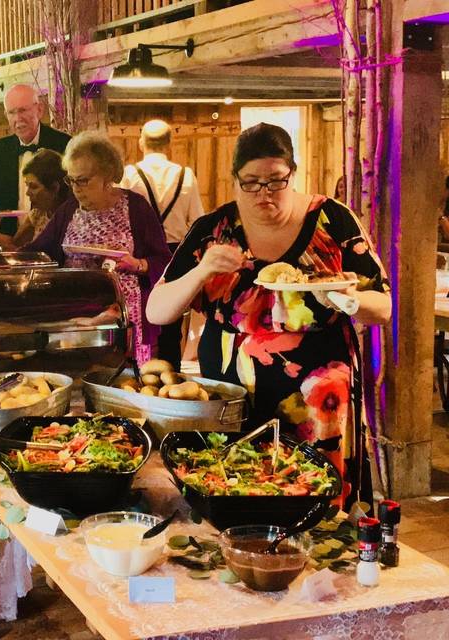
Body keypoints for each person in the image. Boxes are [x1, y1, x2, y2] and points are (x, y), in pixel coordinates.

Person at [146, 122, 392, 508]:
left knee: (315, 499)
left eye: (276, 181)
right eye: (252, 182)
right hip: (233, 393)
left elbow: (383, 307)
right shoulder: (214, 230)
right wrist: (202, 271)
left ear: (292, 173)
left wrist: (348, 299)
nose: (264, 193)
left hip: (319, 397)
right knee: (238, 489)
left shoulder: (332, 219)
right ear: (235, 180)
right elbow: (157, 310)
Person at [26, 132, 171, 364]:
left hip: (126, 320)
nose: (76, 188)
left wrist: (139, 264)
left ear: (107, 176)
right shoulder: (69, 209)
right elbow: (39, 251)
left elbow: (164, 261)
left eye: (83, 180)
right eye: (71, 180)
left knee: (127, 386)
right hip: (77, 320)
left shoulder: (135, 207)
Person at [121, 119, 205, 370]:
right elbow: (197, 222)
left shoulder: (129, 174)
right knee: (170, 326)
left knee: (139, 322)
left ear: (140, 143)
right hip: (175, 254)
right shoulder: (186, 176)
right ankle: (171, 378)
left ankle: (139, 375)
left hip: (142, 256)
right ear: (170, 143)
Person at [0, 84, 71, 236]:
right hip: (10, 240)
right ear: (6, 116)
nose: (18, 118)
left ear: (39, 110)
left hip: (54, 237)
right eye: (12, 112)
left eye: (23, 110)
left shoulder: (65, 144)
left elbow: (70, 199)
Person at [0, 149, 72, 248]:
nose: (27, 193)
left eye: (34, 187)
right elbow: (15, 244)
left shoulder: (71, 216)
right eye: (27, 186)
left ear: (54, 188)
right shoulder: (38, 214)